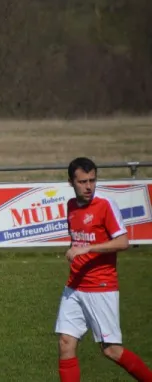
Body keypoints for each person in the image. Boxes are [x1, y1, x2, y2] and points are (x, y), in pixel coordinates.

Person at [55, 157, 152, 382]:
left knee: (111, 350)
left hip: (100, 286)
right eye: (82, 182)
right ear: (71, 182)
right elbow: (77, 241)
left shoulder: (105, 205)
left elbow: (123, 242)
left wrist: (86, 249)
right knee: (65, 343)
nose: (88, 186)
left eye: (92, 180)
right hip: (74, 285)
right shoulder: (70, 206)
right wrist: (76, 250)